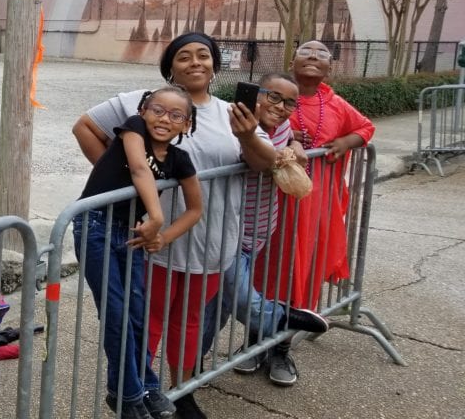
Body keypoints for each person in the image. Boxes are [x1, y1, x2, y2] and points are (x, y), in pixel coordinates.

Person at [73, 32, 275, 419]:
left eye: (204, 55)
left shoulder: (231, 113)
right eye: (184, 56)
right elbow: (87, 128)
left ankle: (182, 390)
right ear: (169, 66)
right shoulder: (141, 104)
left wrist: (248, 134)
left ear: (216, 63)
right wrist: (123, 188)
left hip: (211, 239)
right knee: (141, 317)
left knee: (190, 320)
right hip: (150, 241)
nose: (195, 62)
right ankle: (133, 391)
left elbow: (265, 162)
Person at [74, 86, 204, 419]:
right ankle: (127, 395)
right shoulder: (132, 128)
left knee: (136, 314)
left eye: (176, 115)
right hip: (96, 226)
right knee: (116, 312)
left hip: (131, 234)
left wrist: (163, 237)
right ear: (144, 110)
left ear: (187, 125)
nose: (164, 118)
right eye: (158, 110)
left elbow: (195, 209)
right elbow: (138, 169)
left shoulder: (179, 159)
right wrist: (157, 217)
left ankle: (142, 385)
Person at [256, 40, 375, 386]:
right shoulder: (270, 97)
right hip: (270, 200)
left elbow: (365, 128)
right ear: (291, 60)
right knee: (264, 271)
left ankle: (281, 349)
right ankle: (253, 343)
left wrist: (344, 143)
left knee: (301, 274)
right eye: (305, 50)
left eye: (321, 53)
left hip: (314, 206)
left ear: (330, 67)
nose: (312, 55)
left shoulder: (336, 104)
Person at [200, 73, 330, 379]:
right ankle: (283, 319)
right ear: (255, 94)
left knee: (218, 303)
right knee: (240, 297)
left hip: (258, 230)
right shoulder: (231, 126)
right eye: (273, 96)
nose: (281, 107)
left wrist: (296, 140)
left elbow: (286, 131)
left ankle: (192, 368)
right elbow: (250, 155)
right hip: (223, 229)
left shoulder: (283, 125)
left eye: (289, 102)